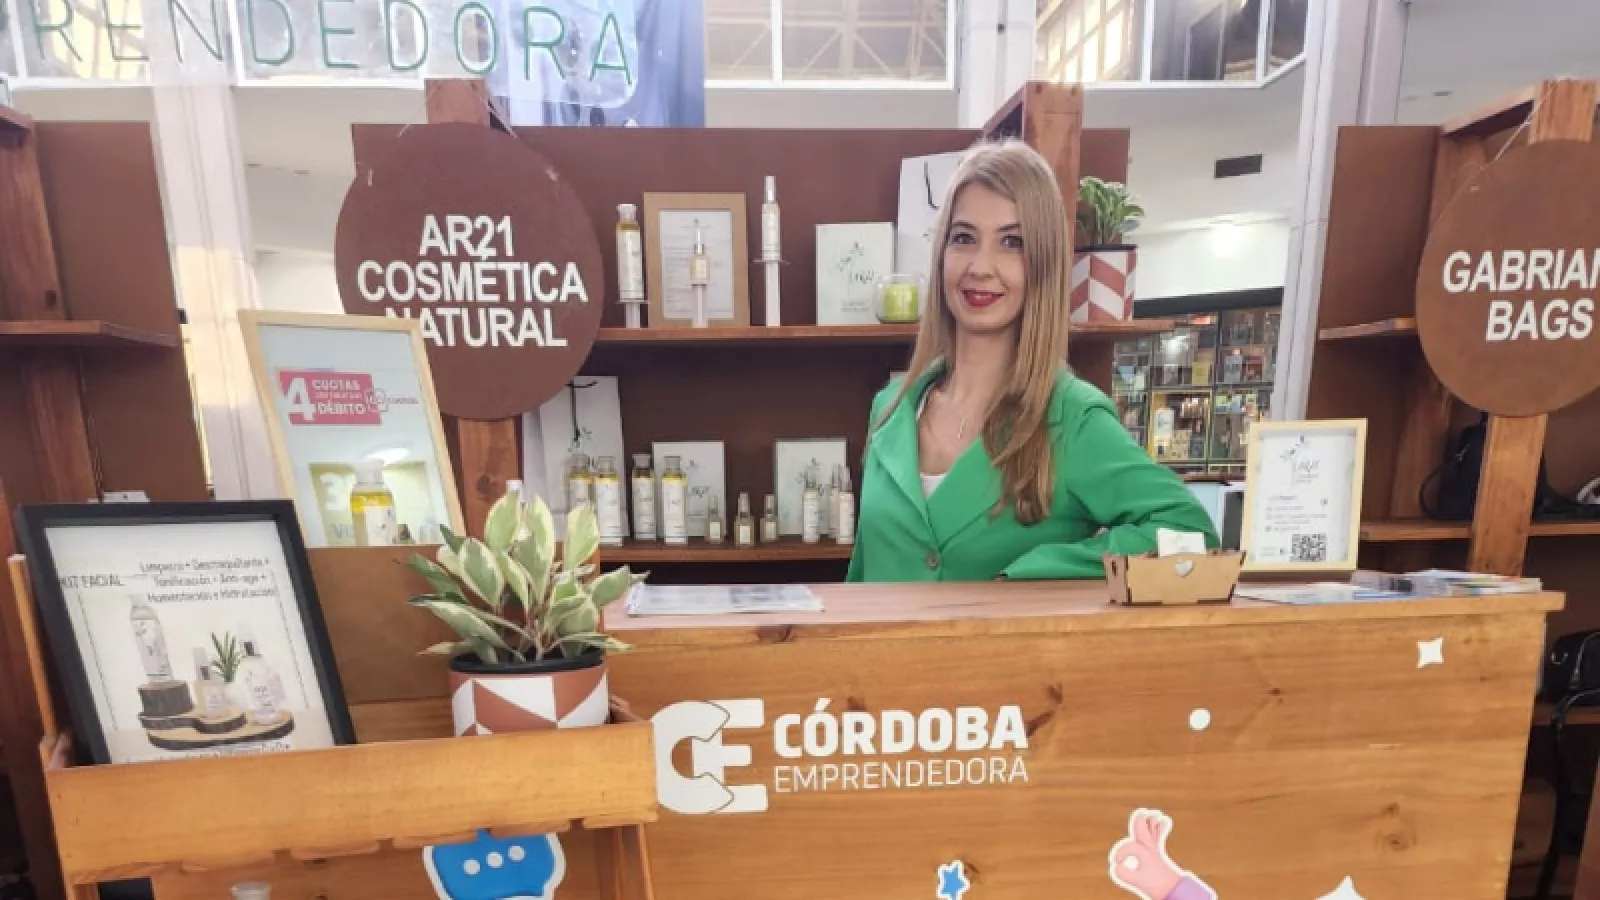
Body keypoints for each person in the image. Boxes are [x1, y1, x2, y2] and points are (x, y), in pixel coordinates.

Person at [845, 141, 1217, 583]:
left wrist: (1033, 576)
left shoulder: (1072, 417)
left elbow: (1189, 534)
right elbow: (861, 577)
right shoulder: (891, 408)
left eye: (1011, 242)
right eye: (964, 238)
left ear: (1042, 263)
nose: (980, 266)